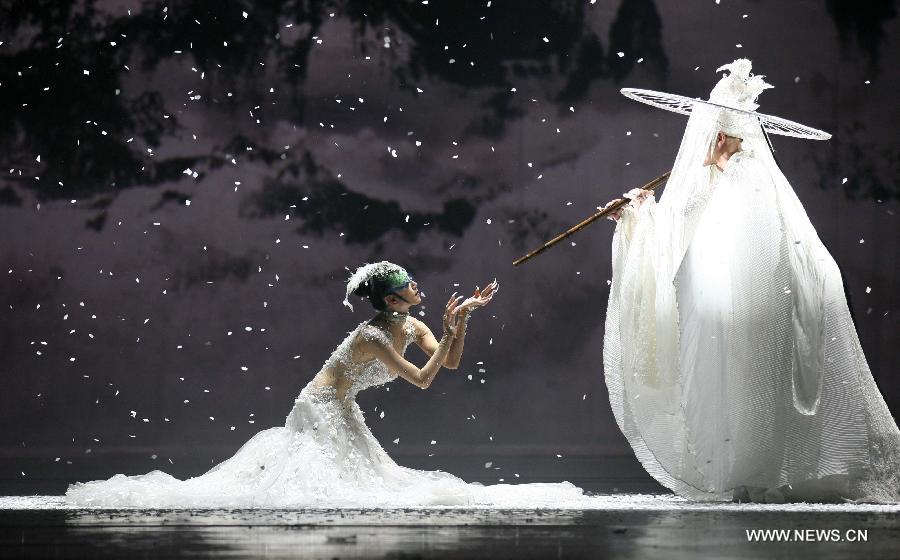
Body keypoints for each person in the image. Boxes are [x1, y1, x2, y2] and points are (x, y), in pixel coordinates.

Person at [601, 59, 900, 503]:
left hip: (773, 300)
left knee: (758, 378)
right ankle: (751, 465)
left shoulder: (748, 174)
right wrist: (638, 213)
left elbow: (752, 240)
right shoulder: (719, 178)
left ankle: (774, 466)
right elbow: (682, 225)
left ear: (719, 137)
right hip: (744, 303)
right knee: (734, 377)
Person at [66, 261, 590, 507]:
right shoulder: (373, 336)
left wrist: (461, 323)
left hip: (345, 406)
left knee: (373, 480)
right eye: (407, 284)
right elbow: (424, 382)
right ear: (391, 301)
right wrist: (453, 327)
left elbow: (447, 364)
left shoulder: (413, 324)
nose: (416, 285)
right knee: (324, 485)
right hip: (319, 406)